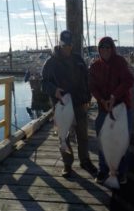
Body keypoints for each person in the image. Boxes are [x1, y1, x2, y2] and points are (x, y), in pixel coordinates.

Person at [41, 30, 97, 178]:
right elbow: (44, 83)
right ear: (60, 43)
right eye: (64, 44)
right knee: (63, 137)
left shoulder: (78, 59)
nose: (67, 47)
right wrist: (54, 91)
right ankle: (67, 164)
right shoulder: (51, 62)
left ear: (72, 44)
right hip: (61, 105)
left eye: (69, 45)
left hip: (79, 103)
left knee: (83, 135)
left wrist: (88, 98)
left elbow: (87, 81)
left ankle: (85, 161)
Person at [89, 36, 134, 185]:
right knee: (103, 140)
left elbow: (129, 80)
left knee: (123, 142)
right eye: (102, 47)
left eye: (108, 47)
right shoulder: (95, 66)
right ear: (99, 50)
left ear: (112, 48)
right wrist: (102, 100)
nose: (105, 50)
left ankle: (120, 173)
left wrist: (114, 96)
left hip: (121, 107)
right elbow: (92, 86)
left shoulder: (120, 62)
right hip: (104, 108)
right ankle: (103, 170)